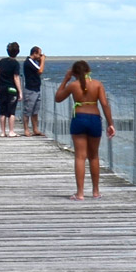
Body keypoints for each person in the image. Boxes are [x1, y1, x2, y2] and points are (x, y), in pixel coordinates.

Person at [55, 60, 115, 200]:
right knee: (94, 156)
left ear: (74, 73)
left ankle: (80, 193)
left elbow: (58, 98)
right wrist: (110, 123)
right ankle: (96, 192)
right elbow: (105, 104)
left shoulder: (73, 85)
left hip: (79, 119)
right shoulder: (97, 84)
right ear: (88, 71)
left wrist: (65, 79)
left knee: (80, 156)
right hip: (94, 119)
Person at [0, 41, 23, 136]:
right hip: (12, 89)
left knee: (2, 111)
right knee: (11, 111)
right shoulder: (15, 64)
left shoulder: (1, 61)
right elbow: (16, 77)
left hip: (2, 88)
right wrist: (20, 91)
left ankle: (3, 132)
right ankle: (11, 131)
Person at [21, 47, 46, 136]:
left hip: (36, 89)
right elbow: (40, 71)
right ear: (34, 53)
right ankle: (26, 129)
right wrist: (43, 61)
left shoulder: (34, 62)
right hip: (30, 90)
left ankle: (35, 129)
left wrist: (40, 61)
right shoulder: (29, 62)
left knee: (35, 111)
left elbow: (38, 68)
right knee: (27, 111)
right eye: (39, 54)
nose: (40, 56)